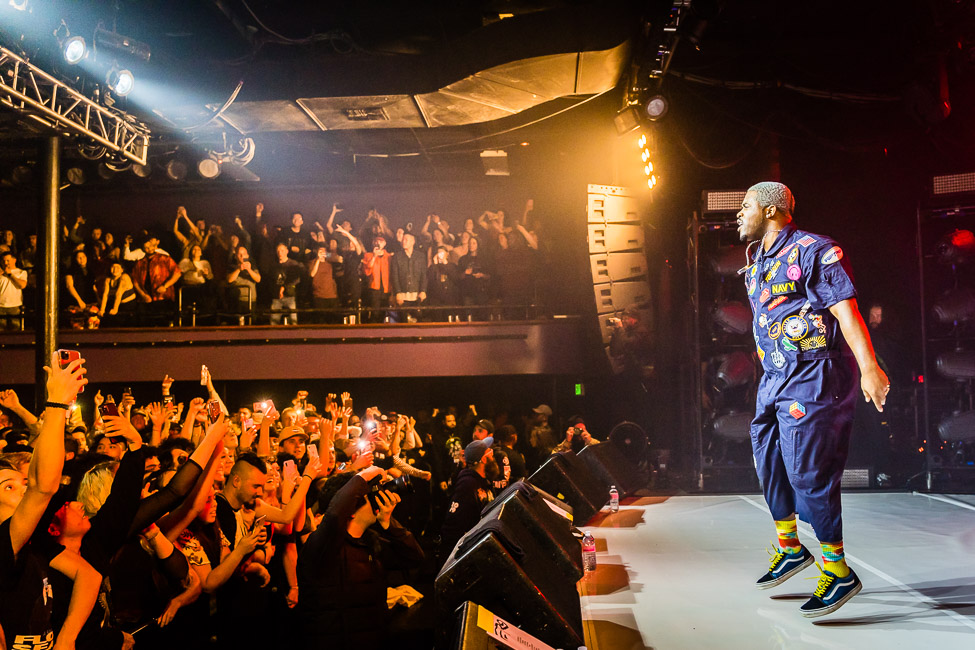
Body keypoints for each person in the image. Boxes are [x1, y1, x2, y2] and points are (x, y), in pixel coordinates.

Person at [737, 181, 888, 617]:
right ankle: (790, 548)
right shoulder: (758, 260)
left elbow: (846, 311)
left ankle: (838, 571)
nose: (738, 214)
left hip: (814, 375)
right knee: (765, 454)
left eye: (745, 206)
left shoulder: (816, 251)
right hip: (776, 377)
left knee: (808, 470)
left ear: (770, 209)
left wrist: (869, 369)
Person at [297, 466, 423, 650]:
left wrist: (389, 523)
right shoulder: (321, 547)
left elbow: (415, 558)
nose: (375, 500)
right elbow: (334, 515)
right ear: (351, 508)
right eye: (368, 496)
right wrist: (364, 476)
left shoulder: (371, 542)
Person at [0, 251, 27, 330]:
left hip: (15, 306)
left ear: (14, 260)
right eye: (3, 260)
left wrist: (10, 275)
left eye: (8, 260)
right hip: (1, 306)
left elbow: (22, 285)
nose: (5, 263)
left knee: (15, 330)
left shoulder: (21, 272)